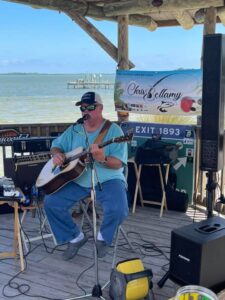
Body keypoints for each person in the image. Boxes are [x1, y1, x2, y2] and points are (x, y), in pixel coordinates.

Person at [44, 91, 129, 260]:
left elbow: (118, 163)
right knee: (51, 202)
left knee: (119, 209)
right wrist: (57, 154)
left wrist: (102, 158)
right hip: (77, 178)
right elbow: (56, 146)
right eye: (82, 108)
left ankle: (103, 238)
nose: (85, 112)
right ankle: (75, 238)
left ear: (100, 108)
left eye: (90, 107)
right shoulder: (75, 129)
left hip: (108, 178)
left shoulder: (114, 131)